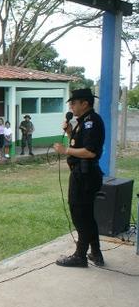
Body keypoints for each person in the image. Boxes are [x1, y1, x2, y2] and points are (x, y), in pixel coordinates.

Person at [53, 88, 105, 268]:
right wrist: (69, 132)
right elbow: (79, 143)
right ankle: (96, 253)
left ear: (85, 103)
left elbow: (90, 151)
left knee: (80, 215)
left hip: (85, 176)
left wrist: (64, 150)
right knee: (87, 215)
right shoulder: (82, 122)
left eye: (74, 103)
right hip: (82, 174)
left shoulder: (92, 122)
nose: (71, 106)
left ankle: (80, 255)